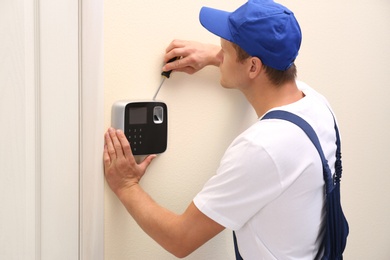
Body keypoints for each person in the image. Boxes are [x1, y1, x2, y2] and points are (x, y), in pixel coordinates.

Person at [104, 0, 339, 259]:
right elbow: (267, 68)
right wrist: (215, 57)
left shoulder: (262, 148)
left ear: (253, 66)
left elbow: (180, 238)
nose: (219, 51)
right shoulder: (316, 104)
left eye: (225, 49)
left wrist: (126, 185)